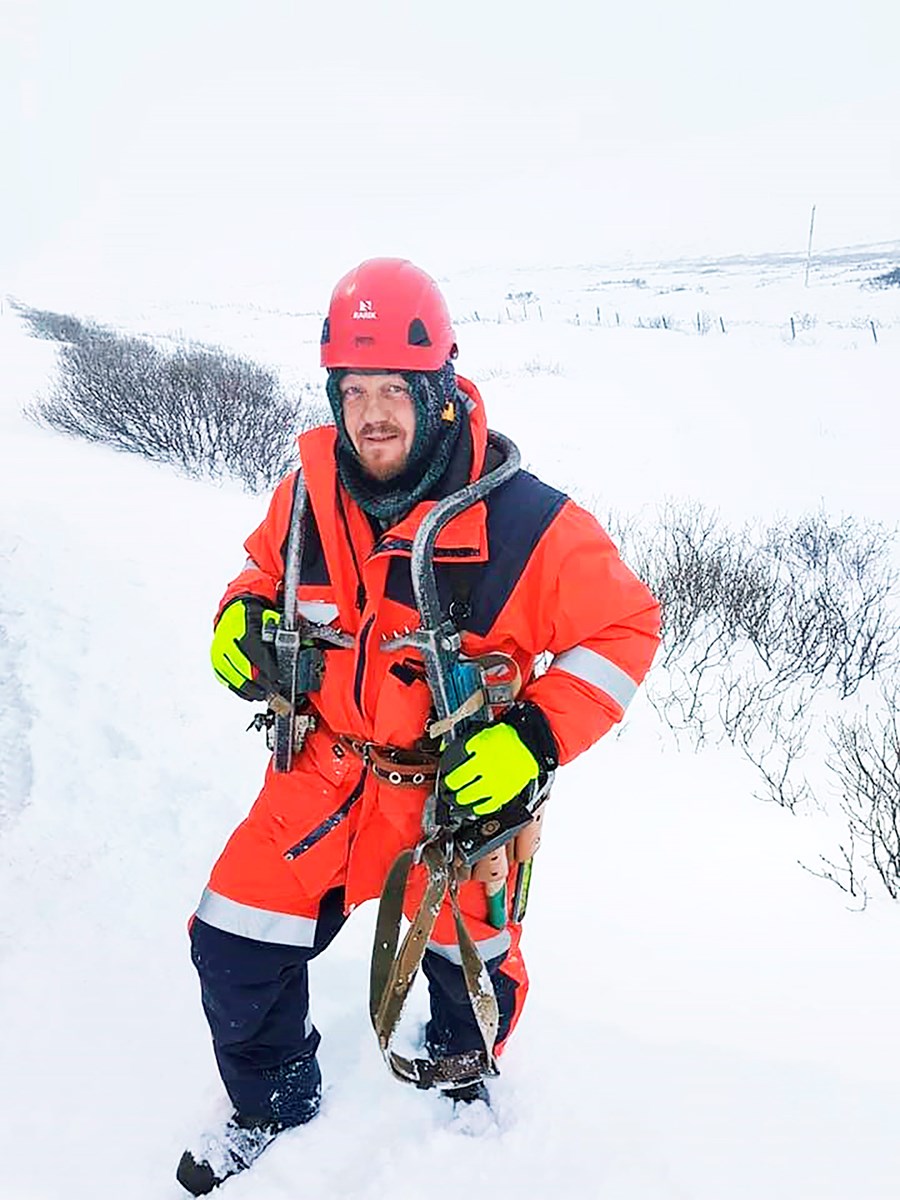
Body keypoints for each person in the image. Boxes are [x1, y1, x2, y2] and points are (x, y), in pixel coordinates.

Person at [177, 258, 661, 1194]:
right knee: (231, 941)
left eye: (395, 388)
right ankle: (272, 1101)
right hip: (320, 774)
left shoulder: (528, 523)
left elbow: (627, 626)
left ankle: (456, 1098)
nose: (372, 415)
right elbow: (256, 575)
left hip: (451, 800)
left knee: (470, 969)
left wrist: (534, 736)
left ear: (439, 391)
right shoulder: (307, 497)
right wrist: (238, 619)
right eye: (353, 391)